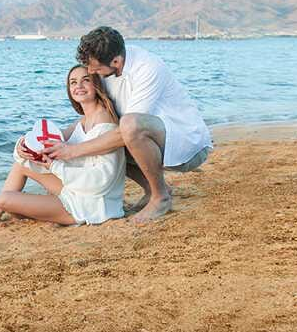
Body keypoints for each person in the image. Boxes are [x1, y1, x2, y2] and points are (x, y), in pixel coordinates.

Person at [43, 26, 212, 223]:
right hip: (153, 141)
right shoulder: (108, 65)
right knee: (109, 131)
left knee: (129, 125)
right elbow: (95, 119)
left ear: (116, 61)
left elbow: (126, 131)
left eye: (95, 68)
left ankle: (160, 198)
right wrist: (52, 139)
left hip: (185, 145)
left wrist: (72, 151)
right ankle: (153, 189)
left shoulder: (147, 68)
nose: (91, 72)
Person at [0, 65, 126, 226]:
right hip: (79, 192)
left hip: (92, 205)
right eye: (73, 82)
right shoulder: (83, 122)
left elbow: (101, 181)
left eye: (85, 80)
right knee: (21, 165)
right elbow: (43, 143)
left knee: (5, 200)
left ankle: (35, 212)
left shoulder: (104, 123)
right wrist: (22, 147)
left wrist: (54, 167)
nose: (78, 86)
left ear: (96, 84)